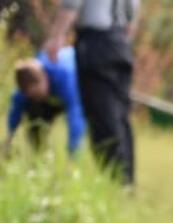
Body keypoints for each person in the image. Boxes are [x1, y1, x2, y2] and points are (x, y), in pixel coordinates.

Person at [41, 0, 139, 186]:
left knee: (103, 119)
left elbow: (71, 4)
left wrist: (56, 37)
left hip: (95, 43)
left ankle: (116, 185)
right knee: (120, 117)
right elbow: (132, 16)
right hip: (120, 45)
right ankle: (127, 182)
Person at [5, 50, 86, 157]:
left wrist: (73, 153)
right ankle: (39, 156)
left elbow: (75, 116)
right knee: (34, 112)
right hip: (49, 102)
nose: (37, 97)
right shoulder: (21, 94)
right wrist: (9, 138)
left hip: (77, 88)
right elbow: (15, 114)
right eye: (33, 96)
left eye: (38, 93)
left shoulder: (65, 77)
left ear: (44, 77)